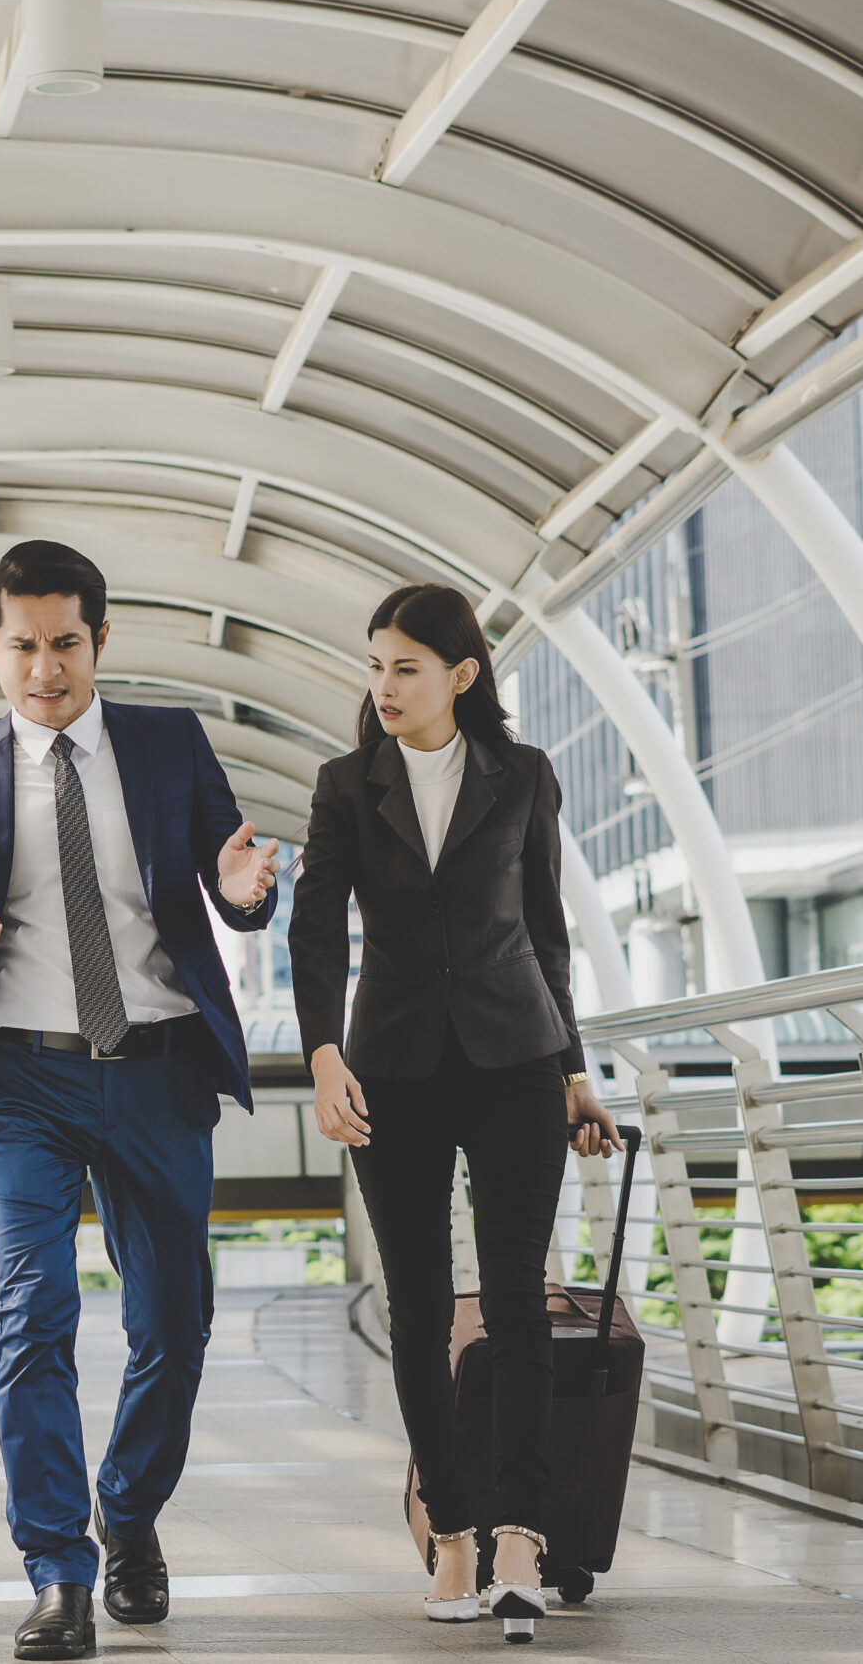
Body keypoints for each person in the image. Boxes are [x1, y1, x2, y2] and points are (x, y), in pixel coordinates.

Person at [0, 540, 281, 1661]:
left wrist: (247, 892)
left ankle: (130, 1509)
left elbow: (229, 869)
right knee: (33, 1314)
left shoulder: (166, 742)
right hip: (22, 1074)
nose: (45, 669)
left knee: (176, 1322)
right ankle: (57, 1567)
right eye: (22, 646)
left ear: (99, 640)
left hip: (157, 1069)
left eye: (65, 643)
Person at [288, 582, 619, 1643]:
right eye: (376, 664)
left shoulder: (522, 776)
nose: (383, 686)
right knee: (419, 1309)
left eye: (407, 667)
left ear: (461, 677)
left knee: (517, 1303)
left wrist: (573, 1069)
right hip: (393, 1067)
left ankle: (522, 1535)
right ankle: (453, 1534)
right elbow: (311, 933)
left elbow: (544, 929)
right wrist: (324, 1054)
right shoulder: (346, 786)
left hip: (516, 1058)